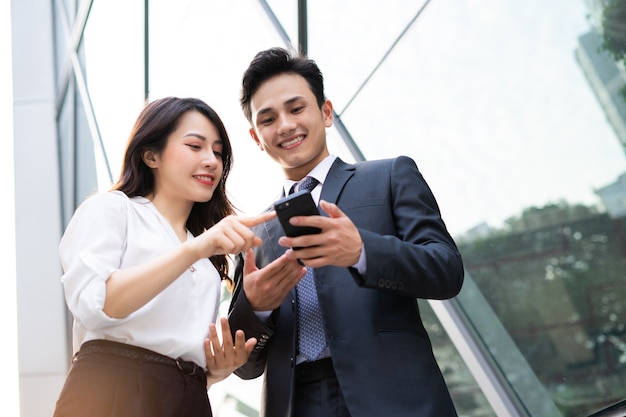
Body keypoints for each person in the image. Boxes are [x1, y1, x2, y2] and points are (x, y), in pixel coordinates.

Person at [227, 47, 465, 417]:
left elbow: (446, 271)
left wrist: (363, 251)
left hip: (394, 399)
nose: (286, 125)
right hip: (298, 404)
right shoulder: (256, 232)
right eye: (268, 119)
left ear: (325, 112)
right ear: (257, 137)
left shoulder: (389, 176)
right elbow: (244, 366)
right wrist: (256, 310)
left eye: (296, 108)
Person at [53, 96, 274, 417]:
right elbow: (96, 305)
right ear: (150, 155)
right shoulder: (113, 209)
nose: (212, 160)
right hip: (111, 391)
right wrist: (195, 249)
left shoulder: (205, 260)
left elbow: (175, 356)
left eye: (217, 152)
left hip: (189, 398)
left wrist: (217, 370)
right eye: (195, 146)